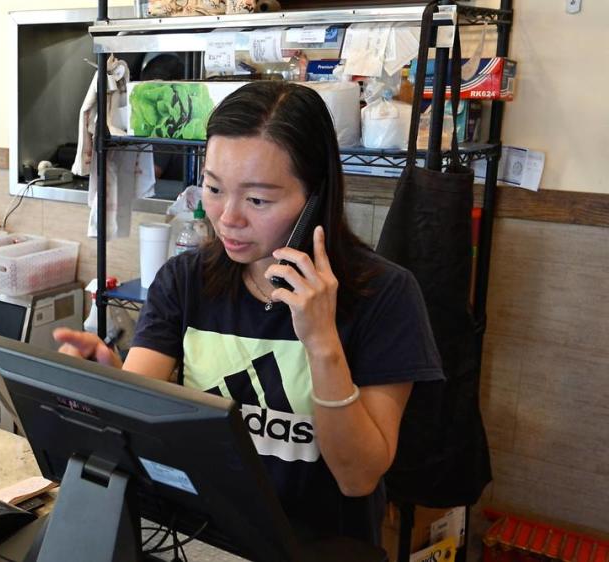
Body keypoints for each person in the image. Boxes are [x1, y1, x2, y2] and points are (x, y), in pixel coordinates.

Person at [54, 81, 443, 546]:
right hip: (203, 536)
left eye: (258, 200)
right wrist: (110, 385)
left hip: (318, 548)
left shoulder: (385, 294)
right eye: (215, 188)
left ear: (315, 197)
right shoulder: (185, 279)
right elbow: (144, 414)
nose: (227, 218)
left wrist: (322, 343)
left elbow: (357, 478)